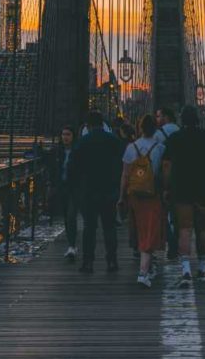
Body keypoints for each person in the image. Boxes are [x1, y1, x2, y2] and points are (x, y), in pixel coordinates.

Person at [162, 104, 205, 287]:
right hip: (203, 190)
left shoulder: (174, 138)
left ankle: (185, 270)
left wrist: (167, 188)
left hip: (181, 190)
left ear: (181, 120)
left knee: (184, 230)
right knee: (202, 230)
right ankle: (202, 268)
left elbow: (167, 167)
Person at [71, 109, 122, 274]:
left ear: (88, 125)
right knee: (109, 227)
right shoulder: (114, 141)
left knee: (89, 228)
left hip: (89, 192)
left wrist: (77, 189)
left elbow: (73, 168)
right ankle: (112, 261)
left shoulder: (82, 142)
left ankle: (88, 263)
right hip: (109, 191)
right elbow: (121, 165)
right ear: (102, 124)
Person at [119, 113, 165, 288]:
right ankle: (143, 272)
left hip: (134, 195)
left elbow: (124, 175)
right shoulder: (160, 148)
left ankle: (148, 266)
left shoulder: (131, 147)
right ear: (156, 129)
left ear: (140, 128)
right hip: (152, 194)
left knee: (140, 228)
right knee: (150, 230)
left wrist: (121, 196)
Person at [154, 106, 179, 258]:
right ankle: (177, 240)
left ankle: (171, 243)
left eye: (158, 116)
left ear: (165, 117)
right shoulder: (180, 131)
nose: (157, 119)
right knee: (177, 212)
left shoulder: (157, 134)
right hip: (180, 177)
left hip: (162, 178)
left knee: (162, 213)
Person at [53, 126, 79, 260]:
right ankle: (72, 244)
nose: (65, 137)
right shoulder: (58, 151)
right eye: (63, 134)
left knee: (71, 216)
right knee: (66, 217)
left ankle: (72, 245)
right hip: (62, 187)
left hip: (74, 188)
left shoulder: (77, 151)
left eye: (68, 134)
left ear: (73, 136)